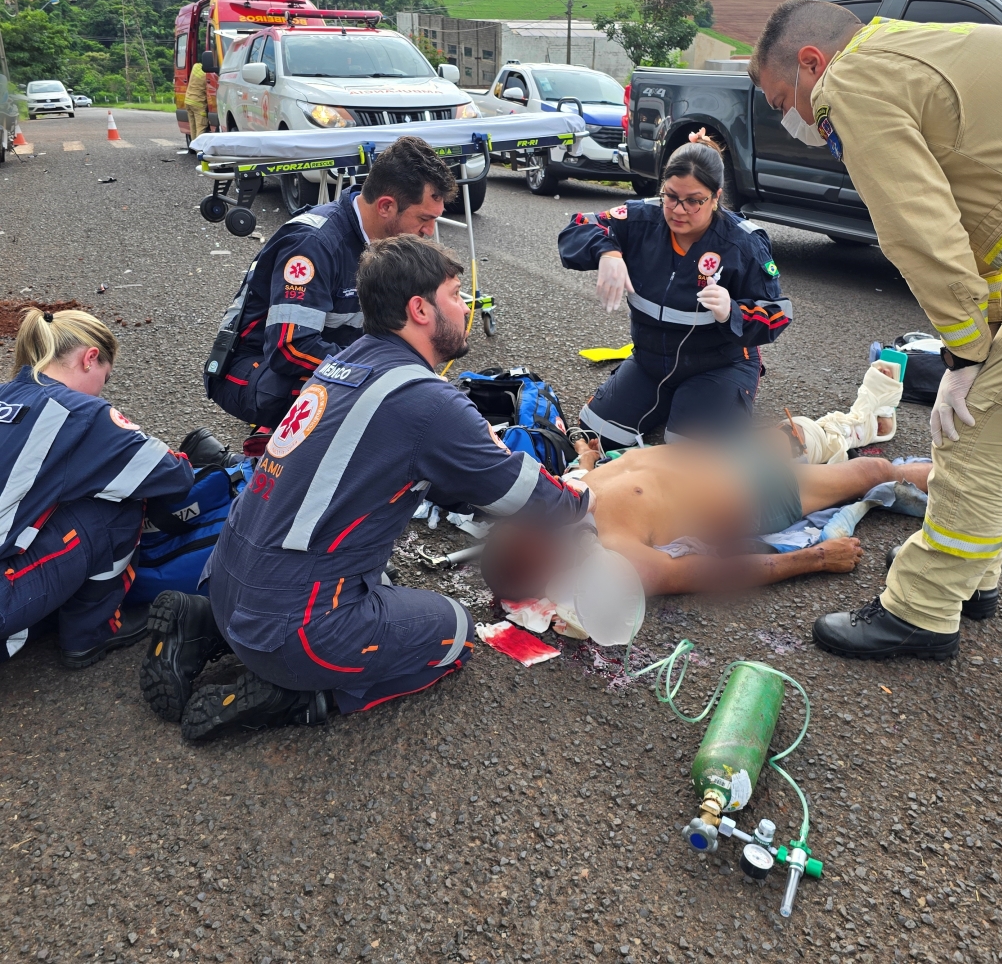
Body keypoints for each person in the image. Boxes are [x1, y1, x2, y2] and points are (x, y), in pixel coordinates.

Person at [143, 235, 591, 740]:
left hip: (224, 582)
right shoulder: (429, 402)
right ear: (420, 309)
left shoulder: (347, 360)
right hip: (292, 627)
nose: (464, 308)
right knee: (455, 636)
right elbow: (531, 498)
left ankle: (206, 626)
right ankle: (302, 697)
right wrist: (585, 493)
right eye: (455, 294)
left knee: (372, 572)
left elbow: (412, 472)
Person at [749, 0, 1002, 660]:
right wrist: (981, 336)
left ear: (813, 62)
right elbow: (987, 228)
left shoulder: (854, 81)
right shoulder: (920, 50)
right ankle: (972, 579)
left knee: (977, 437)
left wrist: (963, 353)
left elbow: (919, 227)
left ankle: (921, 611)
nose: (792, 121)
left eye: (784, 98)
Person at [481, 430, 931, 601]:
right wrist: (817, 558)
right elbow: (713, 574)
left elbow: (578, 477)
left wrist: (584, 459)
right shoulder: (614, 557)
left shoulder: (555, 501)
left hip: (719, 453)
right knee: (874, 471)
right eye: (529, 538)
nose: (529, 522)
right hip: (754, 492)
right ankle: (973, 484)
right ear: (550, 571)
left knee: (792, 436)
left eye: (519, 525)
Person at [205, 136, 457, 433]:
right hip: (254, 369)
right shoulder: (313, 245)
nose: (429, 231)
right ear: (386, 206)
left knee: (410, 397)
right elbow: (290, 348)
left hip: (321, 351)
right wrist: (382, 374)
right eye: (424, 219)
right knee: (385, 411)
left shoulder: (389, 243)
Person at [558, 135, 792, 446]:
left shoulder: (742, 242)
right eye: (670, 196)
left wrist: (732, 311)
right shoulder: (642, 218)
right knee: (593, 437)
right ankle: (674, 401)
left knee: (688, 460)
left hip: (718, 366)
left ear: (716, 196)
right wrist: (608, 252)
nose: (678, 210)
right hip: (651, 362)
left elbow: (776, 313)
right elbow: (577, 228)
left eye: (694, 200)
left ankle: (698, 403)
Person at [0, 309, 194, 668]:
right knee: (117, 505)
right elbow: (173, 474)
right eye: (106, 376)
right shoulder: (81, 412)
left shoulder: (6, 394)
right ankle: (91, 632)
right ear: (91, 358)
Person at [184, 61, 209, 144]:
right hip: (198, 104)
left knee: (193, 127)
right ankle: (199, 149)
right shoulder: (207, 75)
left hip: (188, 101)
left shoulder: (195, 67)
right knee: (201, 127)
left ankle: (194, 146)